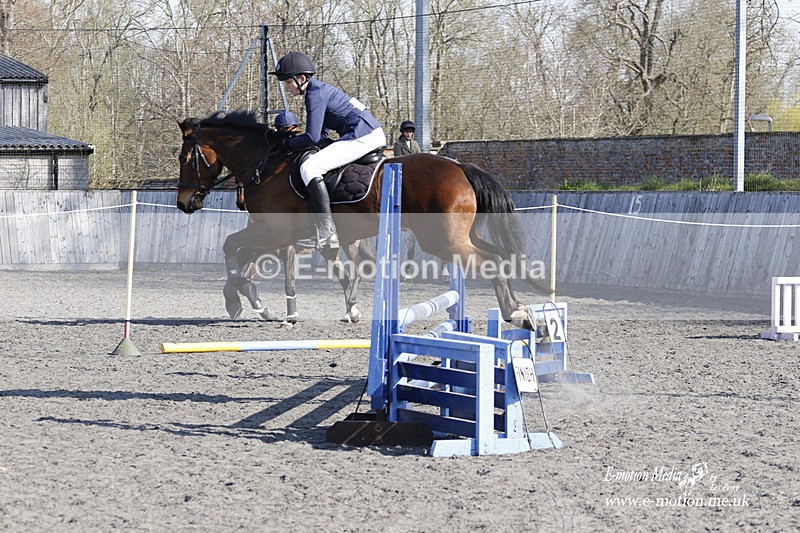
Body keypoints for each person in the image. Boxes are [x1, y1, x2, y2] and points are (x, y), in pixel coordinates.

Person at [270, 51, 386, 250]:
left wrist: (286, 144)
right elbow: (321, 132)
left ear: (301, 78)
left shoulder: (314, 95)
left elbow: (312, 137)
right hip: (366, 132)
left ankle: (326, 232)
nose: (287, 87)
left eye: (288, 82)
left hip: (362, 135)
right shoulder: (319, 90)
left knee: (310, 168)